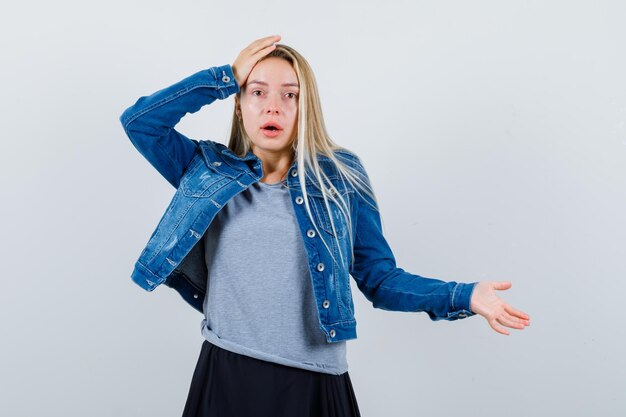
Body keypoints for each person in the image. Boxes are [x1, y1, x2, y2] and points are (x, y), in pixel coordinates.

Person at [119, 35, 530, 417]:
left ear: (305, 107)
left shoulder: (342, 176)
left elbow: (380, 278)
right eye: (257, 92)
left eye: (289, 95)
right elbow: (141, 122)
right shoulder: (205, 171)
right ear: (240, 104)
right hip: (226, 371)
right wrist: (226, 77)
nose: (272, 106)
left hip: (314, 382)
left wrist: (463, 295)